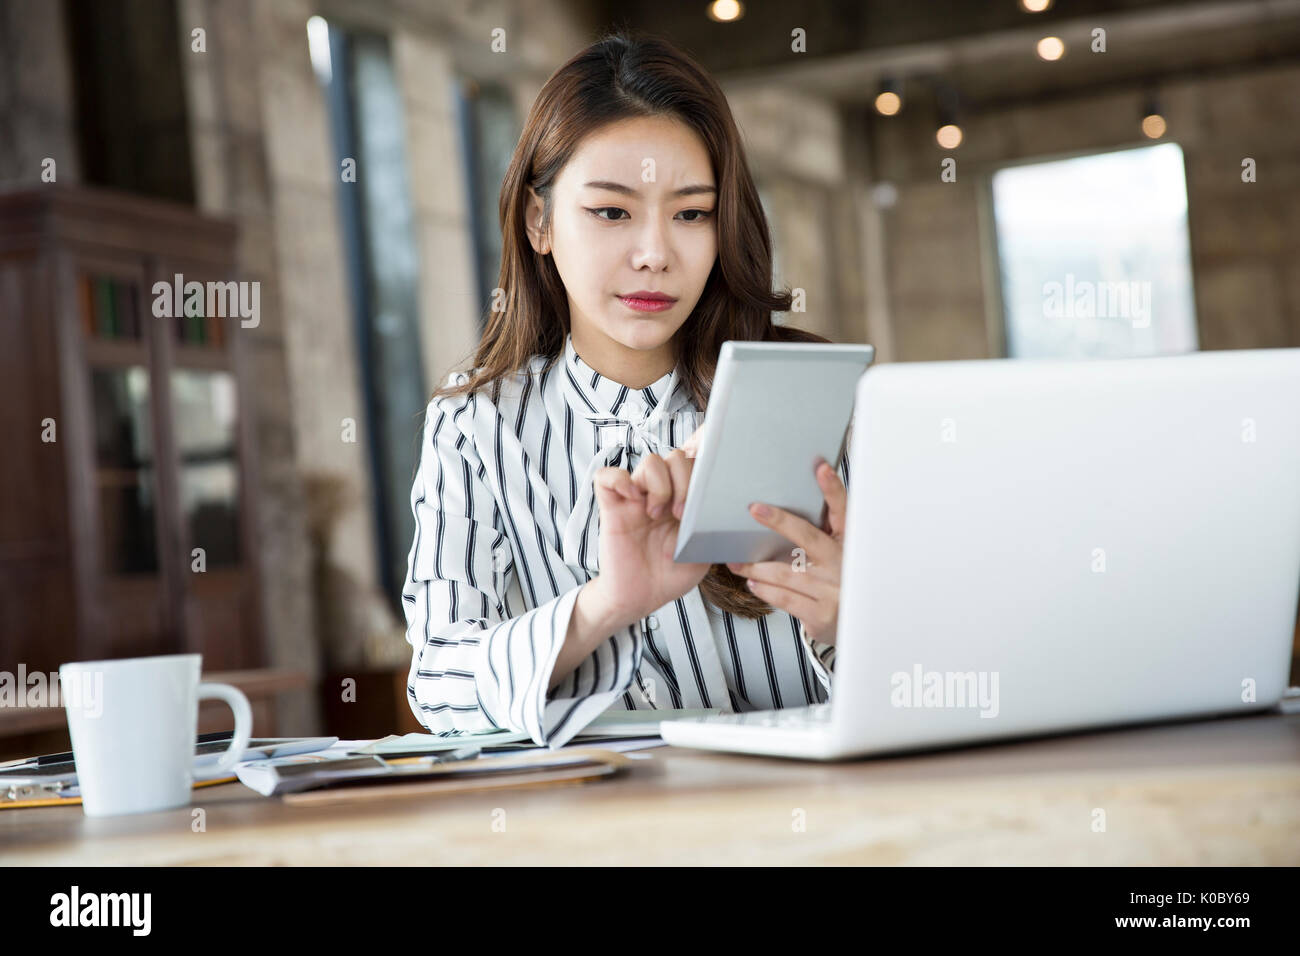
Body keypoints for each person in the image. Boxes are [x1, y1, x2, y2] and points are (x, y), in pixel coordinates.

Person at [402, 31, 850, 749]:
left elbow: (939, 672)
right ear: (539, 221)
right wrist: (604, 606)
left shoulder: (813, 399)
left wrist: (849, 620)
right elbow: (438, 684)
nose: (654, 254)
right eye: (612, 212)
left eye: (691, 213)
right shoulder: (477, 422)